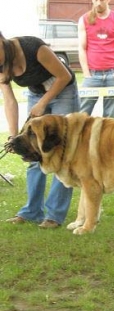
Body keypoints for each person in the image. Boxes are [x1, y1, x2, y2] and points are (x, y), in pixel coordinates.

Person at [1, 31, 80, 228]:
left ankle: (54, 215)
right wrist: (15, 137)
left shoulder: (32, 48)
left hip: (63, 92)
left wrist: (44, 103)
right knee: (32, 152)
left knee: (61, 154)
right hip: (36, 94)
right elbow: (10, 101)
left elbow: (64, 75)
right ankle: (32, 211)